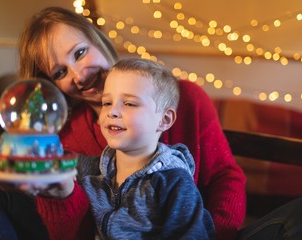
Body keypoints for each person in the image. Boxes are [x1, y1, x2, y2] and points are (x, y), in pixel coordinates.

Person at [0, 6, 302, 240]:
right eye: (61, 72)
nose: (79, 74)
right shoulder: (65, 135)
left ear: (99, 41)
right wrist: (58, 190)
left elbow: (225, 176)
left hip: (195, 233)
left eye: (80, 52)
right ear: (52, 85)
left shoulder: (181, 98)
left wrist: (213, 234)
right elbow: (73, 227)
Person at [75, 57, 214, 239]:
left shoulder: (174, 181)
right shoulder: (92, 171)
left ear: (164, 120)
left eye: (130, 104)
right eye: (107, 103)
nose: (112, 111)